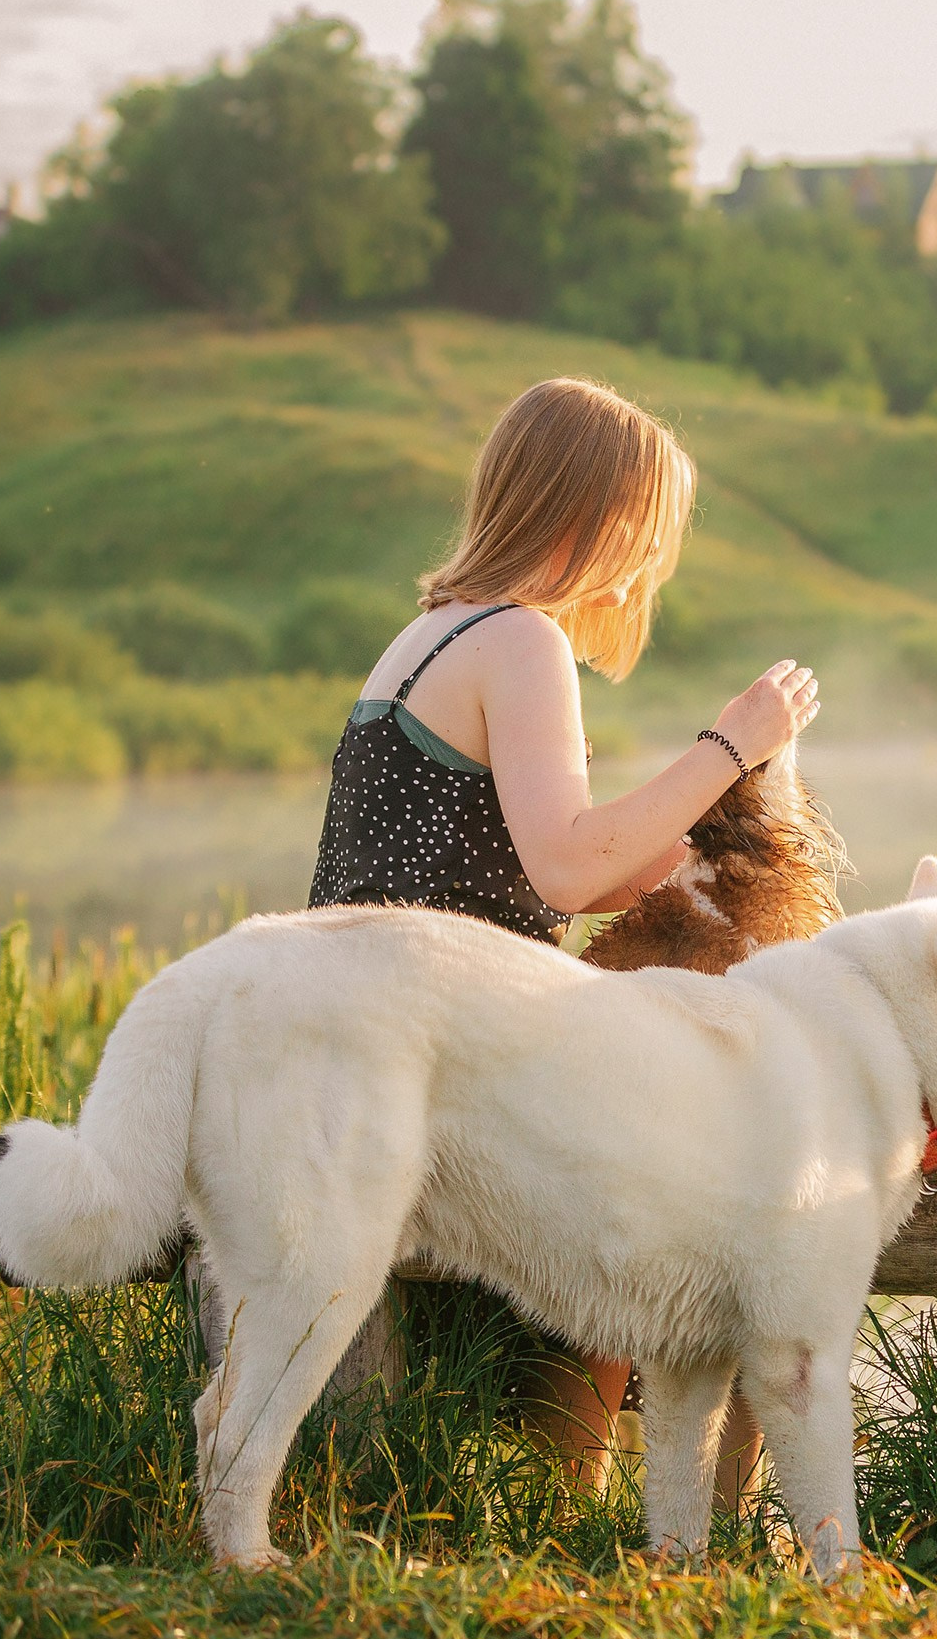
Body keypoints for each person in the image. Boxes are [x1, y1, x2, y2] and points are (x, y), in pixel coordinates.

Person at [307, 374, 816, 1508]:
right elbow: (569, 870)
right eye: (646, 542)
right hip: (436, 1062)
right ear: (593, 523)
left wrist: (693, 841)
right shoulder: (521, 640)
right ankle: (571, 1494)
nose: (646, 573)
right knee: (681, 1166)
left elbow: (555, 856)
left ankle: (563, 1484)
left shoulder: (428, 637)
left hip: (362, 1036)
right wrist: (729, 745)